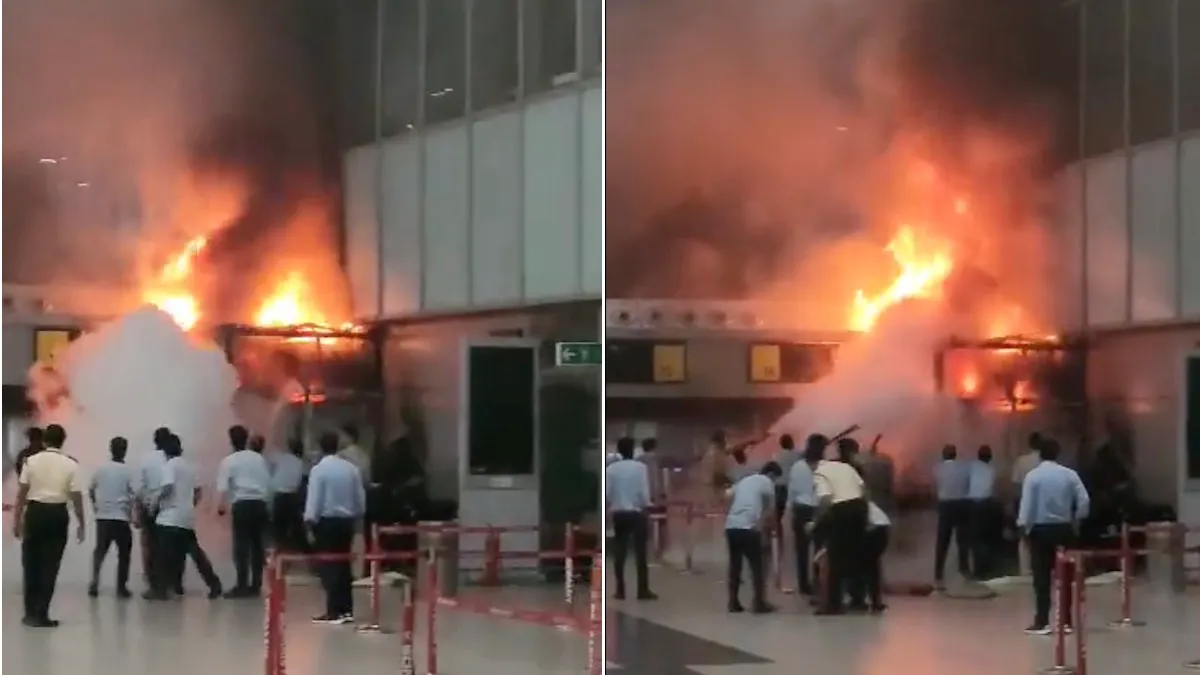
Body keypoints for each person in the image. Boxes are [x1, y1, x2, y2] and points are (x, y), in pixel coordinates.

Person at [12, 424, 84, 627]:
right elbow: (76, 496)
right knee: (50, 566)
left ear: (44, 441)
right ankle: (42, 613)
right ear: (63, 441)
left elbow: (21, 494)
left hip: (35, 513)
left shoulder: (30, 461)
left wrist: (17, 521)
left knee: (31, 563)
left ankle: (29, 613)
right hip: (57, 514)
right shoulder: (71, 464)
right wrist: (81, 523)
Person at [1018, 438, 1090, 635]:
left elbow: (1027, 506)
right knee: (1066, 576)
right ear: (1058, 454)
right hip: (1064, 530)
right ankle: (1066, 621)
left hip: (1040, 531)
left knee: (1041, 577)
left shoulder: (1033, 476)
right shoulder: (1069, 475)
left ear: (1040, 454)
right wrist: (1077, 519)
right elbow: (1084, 500)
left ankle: (1042, 621)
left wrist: (1024, 528)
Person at [147, 434, 222, 600]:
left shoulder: (169, 465)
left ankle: (160, 590)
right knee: (195, 554)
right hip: (186, 517)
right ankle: (214, 584)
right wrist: (189, 505)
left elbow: (167, 485)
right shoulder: (190, 466)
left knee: (162, 555)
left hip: (168, 517)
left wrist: (155, 502)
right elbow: (198, 491)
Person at [305, 431, 367, 624]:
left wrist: (309, 521)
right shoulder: (351, 469)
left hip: (327, 522)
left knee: (329, 566)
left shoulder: (319, 470)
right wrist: (358, 518)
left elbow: (314, 499)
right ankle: (346, 608)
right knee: (343, 564)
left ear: (321, 447)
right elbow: (360, 499)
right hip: (346, 522)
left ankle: (333, 610)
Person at [812, 434, 868, 615]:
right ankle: (857, 599)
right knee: (856, 557)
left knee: (833, 559)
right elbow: (864, 491)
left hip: (840, 512)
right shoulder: (852, 468)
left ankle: (832, 603)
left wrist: (816, 522)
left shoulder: (823, 470)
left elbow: (826, 499)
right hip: (858, 510)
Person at [216, 426, 273, 598]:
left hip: (242, 505)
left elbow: (223, 487)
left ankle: (241, 585)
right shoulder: (259, 459)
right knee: (257, 546)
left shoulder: (229, 461)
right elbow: (267, 482)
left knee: (241, 547)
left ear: (231, 440)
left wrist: (221, 507)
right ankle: (256, 584)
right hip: (260, 505)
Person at [724, 462, 782, 614]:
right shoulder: (767, 482)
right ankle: (759, 603)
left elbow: (726, 496)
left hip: (731, 526)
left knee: (735, 566)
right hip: (749, 527)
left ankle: (733, 601)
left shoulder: (744, 480)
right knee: (757, 567)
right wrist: (765, 528)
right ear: (772, 474)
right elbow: (770, 509)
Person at [605, 437, 655, 601]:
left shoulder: (611, 470)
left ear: (619, 450)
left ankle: (620, 590)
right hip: (637, 513)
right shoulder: (641, 468)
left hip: (619, 514)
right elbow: (644, 492)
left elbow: (608, 494)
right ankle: (643, 590)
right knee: (641, 552)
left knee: (620, 551)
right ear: (632, 450)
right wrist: (644, 505)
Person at [88, 437, 136, 598]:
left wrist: (96, 506)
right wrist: (131, 512)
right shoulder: (128, 471)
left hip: (103, 517)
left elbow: (90, 489)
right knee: (124, 554)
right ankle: (121, 587)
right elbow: (135, 494)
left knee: (100, 551)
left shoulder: (101, 469)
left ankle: (94, 583)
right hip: (121, 518)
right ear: (125, 450)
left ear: (110, 449)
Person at [783, 434, 818, 596]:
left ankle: (803, 584)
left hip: (800, 510)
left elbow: (792, 491)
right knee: (820, 549)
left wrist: (789, 510)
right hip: (817, 510)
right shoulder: (824, 466)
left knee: (802, 551)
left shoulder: (797, 466)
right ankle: (819, 582)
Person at [136, 427, 172, 586]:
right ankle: (168, 578)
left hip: (149, 504)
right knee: (167, 544)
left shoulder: (146, 459)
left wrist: (137, 510)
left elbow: (140, 487)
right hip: (169, 506)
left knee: (148, 543)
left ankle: (151, 578)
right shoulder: (173, 459)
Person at [933, 444, 972, 586]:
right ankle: (964, 570)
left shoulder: (937, 468)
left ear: (943, 455)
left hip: (945, 505)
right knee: (962, 540)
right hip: (961, 504)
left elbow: (936, 486)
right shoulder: (964, 467)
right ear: (955, 454)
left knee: (943, 540)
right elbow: (968, 484)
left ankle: (938, 574)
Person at [271, 438, 308, 553]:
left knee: (279, 529)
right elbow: (304, 482)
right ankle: (302, 552)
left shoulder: (280, 459)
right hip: (293, 498)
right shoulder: (301, 463)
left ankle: (279, 552)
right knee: (297, 527)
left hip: (277, 496)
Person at [968, 444, 998, 579]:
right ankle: (986, 569)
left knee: (975, 538)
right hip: (987, 505)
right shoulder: (992, 470)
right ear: (990, 458)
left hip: (973, 505)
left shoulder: (971, 467)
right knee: (987, 537)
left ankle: (977, 570)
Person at [864, 499, 891, 613]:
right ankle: (875, 601)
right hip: (882, 528)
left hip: (875, 529)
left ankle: (860, 599)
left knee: (869, 564)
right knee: (872, 565)